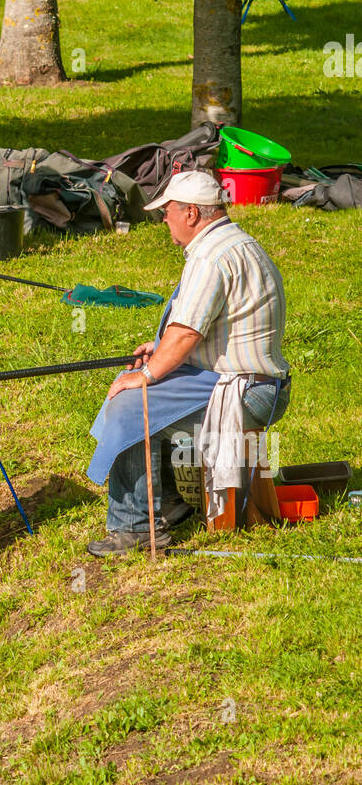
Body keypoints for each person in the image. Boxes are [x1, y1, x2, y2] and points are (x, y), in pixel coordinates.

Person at [85, 171, 291, 556]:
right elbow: (208, 329)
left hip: (247, 390)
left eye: (167, 212)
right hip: (254, 381)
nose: (165, 220)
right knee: (141, 387)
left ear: (191, 213)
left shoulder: (211, 256)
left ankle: (137, 528)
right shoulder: (235, 242)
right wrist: (160, 351)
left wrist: (148, 373)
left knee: (133, 405)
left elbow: (187, 334)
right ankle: (168, 503)